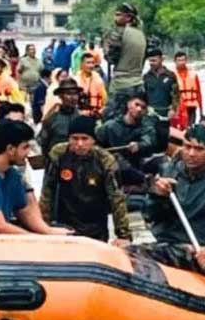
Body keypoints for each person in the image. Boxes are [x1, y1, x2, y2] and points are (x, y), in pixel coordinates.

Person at [124, 125, 205, 272]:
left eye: (199, 149)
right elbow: (150, 215)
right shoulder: (169, 171)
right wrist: (157, 196)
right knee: (125, 252)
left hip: (199, 250)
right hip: (165, 244)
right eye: (187, 147)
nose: (191, 153)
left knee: (173, 252)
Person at [39, 116, 131, 244]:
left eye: (85, 139)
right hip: (65, 224)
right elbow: (47, 191)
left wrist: (123, 234)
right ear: (68, 138)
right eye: (75, 139)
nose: (79, 144)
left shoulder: (105, 160)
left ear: (93, 140)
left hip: (95, 225)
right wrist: (44, 226)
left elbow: (116, 198)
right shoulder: (58, 153)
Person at [97, 92, 156, 186]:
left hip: (136, 163)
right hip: (111, 166)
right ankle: (143, 179)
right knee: (116, 158)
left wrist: (139, 145)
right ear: (129, 104)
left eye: (143, 107)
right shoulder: (110, 126)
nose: (139, 109)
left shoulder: (146, 126)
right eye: (136, 104)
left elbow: (149, 141)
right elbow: (96, 143)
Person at [102, 2, 148, 121]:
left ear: (128, 17)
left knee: (112, 118)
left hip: (121, 84)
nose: (115, 18)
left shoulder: (118, 33)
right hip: (138, 83)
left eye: (118, 15)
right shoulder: (141, 34)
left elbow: (111, 57)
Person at [143, 47, 180, 152]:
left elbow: (176, 94)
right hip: (150, 113)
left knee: (163, 136)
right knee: (150, 135)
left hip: (164, 113)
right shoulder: (146, 77)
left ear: (161, 59)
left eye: (154, 60)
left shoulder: (170, 76)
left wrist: (173, 109)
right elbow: (143, 95)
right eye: (150, 61)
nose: (152, 63)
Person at [37, 76, 84, 153]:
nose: (73, 97)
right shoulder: (51, 119)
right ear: (60, 96)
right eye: (69, 94)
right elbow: (44, 145)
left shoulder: (82, 119)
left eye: (75, 94)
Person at [174, 51, 203, 128]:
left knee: (190, 128)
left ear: (186, 61)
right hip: (178, 108)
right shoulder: (172, 75)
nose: (182, 62)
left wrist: (201, 112)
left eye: (183, 60)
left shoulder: (193, 74)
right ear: (175, 62)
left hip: (192, 107)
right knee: (180, 127)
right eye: (179, 60)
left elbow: (199, 93)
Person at [75, 53, 108, 118]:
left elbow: (105, 101)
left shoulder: (98, 80)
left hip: (96, 115)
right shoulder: (76, 80)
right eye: (88, 63)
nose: (91, 65)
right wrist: (80, 113)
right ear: (82, 64)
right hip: (80, 116)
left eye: (93, 63)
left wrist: (101, 111)